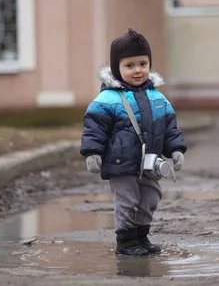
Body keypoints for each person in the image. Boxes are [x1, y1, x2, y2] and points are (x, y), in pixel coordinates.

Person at [80, 28, 187, 257]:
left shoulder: (158, 98)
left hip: (150, 162)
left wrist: (176, 149)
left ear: (149, 64)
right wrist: (92, 153)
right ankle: (126, 242)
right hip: (121, 162)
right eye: (130, 66)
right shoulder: (107, 99)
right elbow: (94, 129)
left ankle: (141, 236)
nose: (137, 70)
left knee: (150, 198)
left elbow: (170, 127)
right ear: (117, 69)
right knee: (127, 201)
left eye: (143, 63)